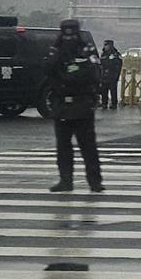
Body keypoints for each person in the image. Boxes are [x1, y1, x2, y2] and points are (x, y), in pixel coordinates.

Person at [43, 19, 104, 193]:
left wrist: (72, 71)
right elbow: (47, 69)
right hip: (62, 103)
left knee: (88, 146)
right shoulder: (56, 49)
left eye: (72, 33)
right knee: (63, 147)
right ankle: (65, 180)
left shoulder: (86, 50)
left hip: (82, 103)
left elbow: (94, 73)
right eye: (66, 32)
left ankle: (94, 181)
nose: (69, 37)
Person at [99, 40, 123, 110]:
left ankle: (114, 104)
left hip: (112, 75)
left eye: (107, 45)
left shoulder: (115, 54)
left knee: (113, 91)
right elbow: (102, 63)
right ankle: (104, 103)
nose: (105, 47)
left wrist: (116, 74)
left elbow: (118, 64)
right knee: (104, 91)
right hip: (104, 76)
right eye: (105, 45)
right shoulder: (103, 54)